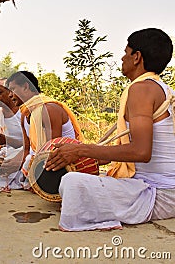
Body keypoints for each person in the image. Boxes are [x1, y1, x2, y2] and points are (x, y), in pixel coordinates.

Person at [45, 28, 175, 231]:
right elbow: (128, 153)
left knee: (72, 183)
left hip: (161, 194)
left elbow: (141, 152)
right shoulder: (161, 88)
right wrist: (76, 153)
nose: (122, 58)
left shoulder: (141, 89)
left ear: (137, 57)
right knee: (82, 179)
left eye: (126, 52)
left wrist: (80, 150)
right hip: (160, 189)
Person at [0, 71, 83, 179]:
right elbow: (26, 150)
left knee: (26, 163)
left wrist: (24, 166)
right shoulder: (24, 115)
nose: (10, 95)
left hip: (59, 166)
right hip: (36, 161)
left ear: (25, 87)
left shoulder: (49, 109)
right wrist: (14, 164)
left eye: (12, 90)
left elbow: (52, 152)